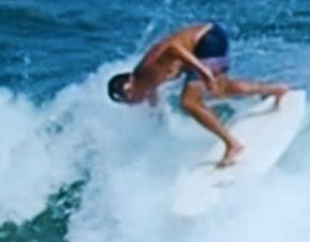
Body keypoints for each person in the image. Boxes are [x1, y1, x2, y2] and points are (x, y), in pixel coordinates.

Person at [106, 22, 290, 166]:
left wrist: (201, 69)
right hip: (211, 38)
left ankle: (233, 145)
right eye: (127, 100)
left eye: (129, 95)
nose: (134, 101)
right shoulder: (148, 88)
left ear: (131, 82)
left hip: (207, 40)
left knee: (188, 102)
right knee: (221, 90)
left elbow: (173, 48)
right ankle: (277, 90)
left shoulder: (146, 71)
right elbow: (157, 117)